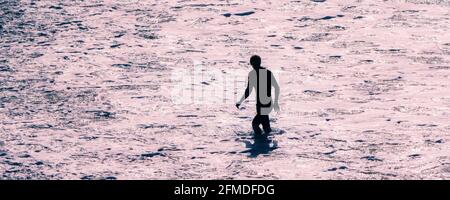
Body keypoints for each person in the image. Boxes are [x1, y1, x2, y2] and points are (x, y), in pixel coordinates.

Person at [236, 55, 280, 135]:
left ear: (251, 63)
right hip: (264, 103)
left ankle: (261, 142)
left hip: (263, 104)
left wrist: (240, 101)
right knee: (266, 126)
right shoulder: (267, 73)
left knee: (255, 124)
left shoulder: (254, 74)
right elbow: (276, 87)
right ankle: (267, 143)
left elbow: (248, 90)